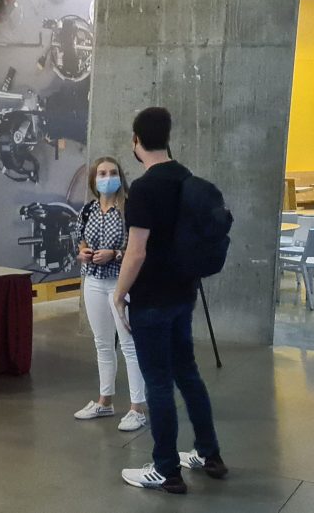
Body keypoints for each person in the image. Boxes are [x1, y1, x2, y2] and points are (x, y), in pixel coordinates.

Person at [116, 108, 227, 494]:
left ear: (136, 141)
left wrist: (117, 295)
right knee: (187, 372)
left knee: (158, 383)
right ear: (167, 137)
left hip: (150, 300)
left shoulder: (145, 188)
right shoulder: (185, 177)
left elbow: (136, 252)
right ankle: (208, 453)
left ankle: (166, 469)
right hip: (184, 294)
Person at [74, 157, 147, 432]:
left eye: (112, 172)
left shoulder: (130, 208)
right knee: (102, 343)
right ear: (94, 179)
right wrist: (83, 252)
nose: (107, 177)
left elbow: (139, 247)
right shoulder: (89, 209)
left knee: (129, 345)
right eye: (102, 173)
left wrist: (115, 254)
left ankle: (137, 407)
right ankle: (105, 401)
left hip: (121, 282)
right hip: (92, 280)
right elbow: (79, 238)